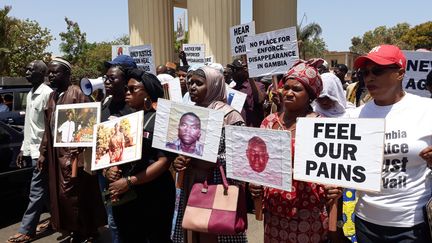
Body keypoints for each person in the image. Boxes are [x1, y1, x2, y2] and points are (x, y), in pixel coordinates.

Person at [330, 44, 432, 243]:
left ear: (400, 73)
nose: (369, 77)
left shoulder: (427, 110)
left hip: (412, 226)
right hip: (366, 223)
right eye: (365, 72)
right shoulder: (354, 116)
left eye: (377, 70)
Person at [249, 58, 342, 243]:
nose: (288, 93)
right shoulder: (268, 122)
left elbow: (335, 169)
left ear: (310, 95)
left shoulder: (322, 126)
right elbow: (257, 162)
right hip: (274, 212)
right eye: (286, 87)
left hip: (309, 213)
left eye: (297, 89)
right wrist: (254, 183)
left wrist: (336, 188)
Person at [172, 66, 247, 243]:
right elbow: (180, 147)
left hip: (217, 186)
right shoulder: (188, 114)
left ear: (214, 85)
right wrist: (178, 160)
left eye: (199, 83)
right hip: (191, 183)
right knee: (193, 229)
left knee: (214, 232)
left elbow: (240, 158)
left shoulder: (230, 116)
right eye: (190, 82)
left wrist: (212, 160)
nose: (192, 87)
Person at [38, 57, 106, 242]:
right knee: (62, 196)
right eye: (49, 72)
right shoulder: (53, 96)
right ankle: (76, 230)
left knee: (75, 195)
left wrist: (79, 148)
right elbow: (48, 128)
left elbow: (90, 125)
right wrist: (43, 153)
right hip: (56, 155)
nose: (50, 75)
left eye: (55, 72)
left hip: (75, 156)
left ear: (67, 74)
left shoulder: (76, 92)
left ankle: (86, 231)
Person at [105, 68, 175, 242]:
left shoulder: (159, 120)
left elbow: (164, 161)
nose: (127, 93)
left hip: (154, 195)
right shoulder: (123, 120)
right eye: (126, 89)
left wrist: (129, 181)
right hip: (126, 197)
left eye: (132, 89)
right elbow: (111, 154)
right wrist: (109, 170)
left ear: (147, 95)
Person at [7, 60, 53, 243]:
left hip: (42, 153)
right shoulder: (31, 93)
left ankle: (27, 230)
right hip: (32, 150)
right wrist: (22, 149)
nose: (26, 71)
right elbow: (30, 126)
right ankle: (55, 220)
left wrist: (42, 152)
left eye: (30, 69)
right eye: (26, 68)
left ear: (41, 73)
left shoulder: (48, 94)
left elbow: (49, 127)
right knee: (46, 190)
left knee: (36, 190)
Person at [99, 54, 136, 243]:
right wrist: (105, 169)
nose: (106, 81)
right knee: (112, 220)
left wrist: (118, 168)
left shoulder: (134, 109)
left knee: (128, 221)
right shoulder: (105, 103)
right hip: (106, 175)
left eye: (112, 78)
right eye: (106, 77)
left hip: (126, 176)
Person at [229, 58, 266, 127]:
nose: (233, 73)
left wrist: (250, 77)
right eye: (232, 70)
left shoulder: (258, 86)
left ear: (245, 71)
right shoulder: (232, 90)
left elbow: (260, 100)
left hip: (252, 130)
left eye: (236, 70)